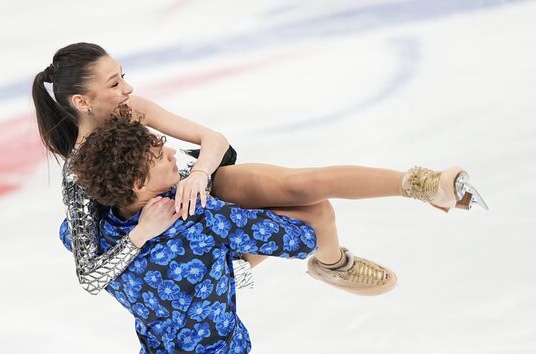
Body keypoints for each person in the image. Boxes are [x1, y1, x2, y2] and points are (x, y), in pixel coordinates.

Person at [33, 42, 487, 296]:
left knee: (301, 182)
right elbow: (89, 272)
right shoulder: (79, 173)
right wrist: (145, 235)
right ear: (82, 101)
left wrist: (198, 174)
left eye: (123, 74)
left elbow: (214, 140)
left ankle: (426, 185)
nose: (129, 88)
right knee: (315, 211)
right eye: (115, 83)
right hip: (186, 238)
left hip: (199, 186)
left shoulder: (135, 111)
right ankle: (331, 264)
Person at [58, 113, 362, 354]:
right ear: (138, 182)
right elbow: (302, 239)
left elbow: (70, 234)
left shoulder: (98, 236)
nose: (171, 150)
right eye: (158, 154)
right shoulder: (200, 216)